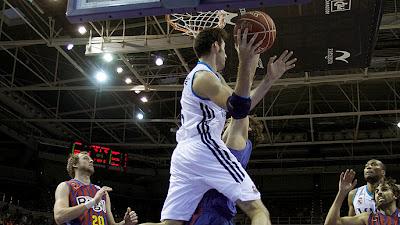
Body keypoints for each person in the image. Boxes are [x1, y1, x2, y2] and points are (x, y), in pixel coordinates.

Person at [141, 27, 296, 225]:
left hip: (184, 154)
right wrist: (246, 60)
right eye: (224, 49)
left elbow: (243, 104)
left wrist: (268, 79)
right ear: (216, 47)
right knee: (258, 210)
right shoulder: (204, 78)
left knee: (169, 224)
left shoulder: (209, 77)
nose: (226, 55)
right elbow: (239, 108)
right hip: (204, 147)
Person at [187, 116, 264, 225]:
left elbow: (240, 111)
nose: (226, 125)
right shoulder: (239, 148)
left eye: (228, 123)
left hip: (212, 211)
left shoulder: (238, 139)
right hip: (217, 211)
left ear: (247, 128)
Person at [53, 151, 138, 225]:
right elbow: (59, 217)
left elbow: (112, 224)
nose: (91, 160)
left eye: (91, 159)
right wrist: (93, 202)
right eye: (85, 158)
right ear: (75, 164)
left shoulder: (102, 192)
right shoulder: (65, 186)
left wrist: (125, 223)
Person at [324, 169, 400, 225]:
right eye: (376, 191)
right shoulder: (367, 218)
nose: (379, 193)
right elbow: (331, 223)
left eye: (384, 189)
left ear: (395, 195)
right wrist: (341, 193)